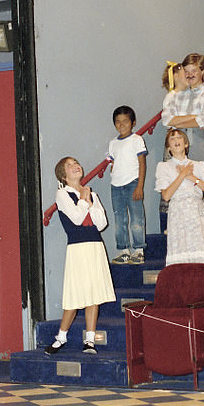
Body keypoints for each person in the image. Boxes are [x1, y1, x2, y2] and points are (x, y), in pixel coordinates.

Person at [46, 157, 117, 355]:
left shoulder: (91, 193)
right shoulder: (62, 194)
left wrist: (90, 200)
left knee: (93, 295)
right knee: (74, 295)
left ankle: (90, 341)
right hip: (77, 248)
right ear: (63, 175)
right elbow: (77, 219)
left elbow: (101, 224)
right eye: (69, 165)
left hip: (95, 247)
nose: (75, 165)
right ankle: (61, 337)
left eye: (76, 162)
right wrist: (85, 200)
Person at [154, 128, 204, 272]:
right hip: (178, 213)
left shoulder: (198, 165)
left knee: (203, 258)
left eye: (179, 137)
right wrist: (182, 175)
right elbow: (166, 196)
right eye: (172, 139)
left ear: (186, 144)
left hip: (197, 212)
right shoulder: (164, 167)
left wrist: (192, 177)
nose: (176, 141)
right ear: (168, 147)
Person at [160, 52, 204, 169]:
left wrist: (177, 123)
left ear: (202, 71)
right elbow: (166, 120)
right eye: (186, 71)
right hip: (176, 146)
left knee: (199, 183)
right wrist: (194, 117)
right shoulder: (177, 96)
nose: (190, 75)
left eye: (194, 71)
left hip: (197, 144)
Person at [107, 106, 147, 265]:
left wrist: (140, 186)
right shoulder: (112, 143)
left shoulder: (137, 139)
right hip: (116, 186)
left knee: (136, 218)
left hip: (132, 183)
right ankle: (124, 250)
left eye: (125, 121)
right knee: (119, 219)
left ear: (133, 122)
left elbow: (142, 164)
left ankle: (138, 250)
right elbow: (113, 161)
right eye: (118, 122)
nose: (121, 124)